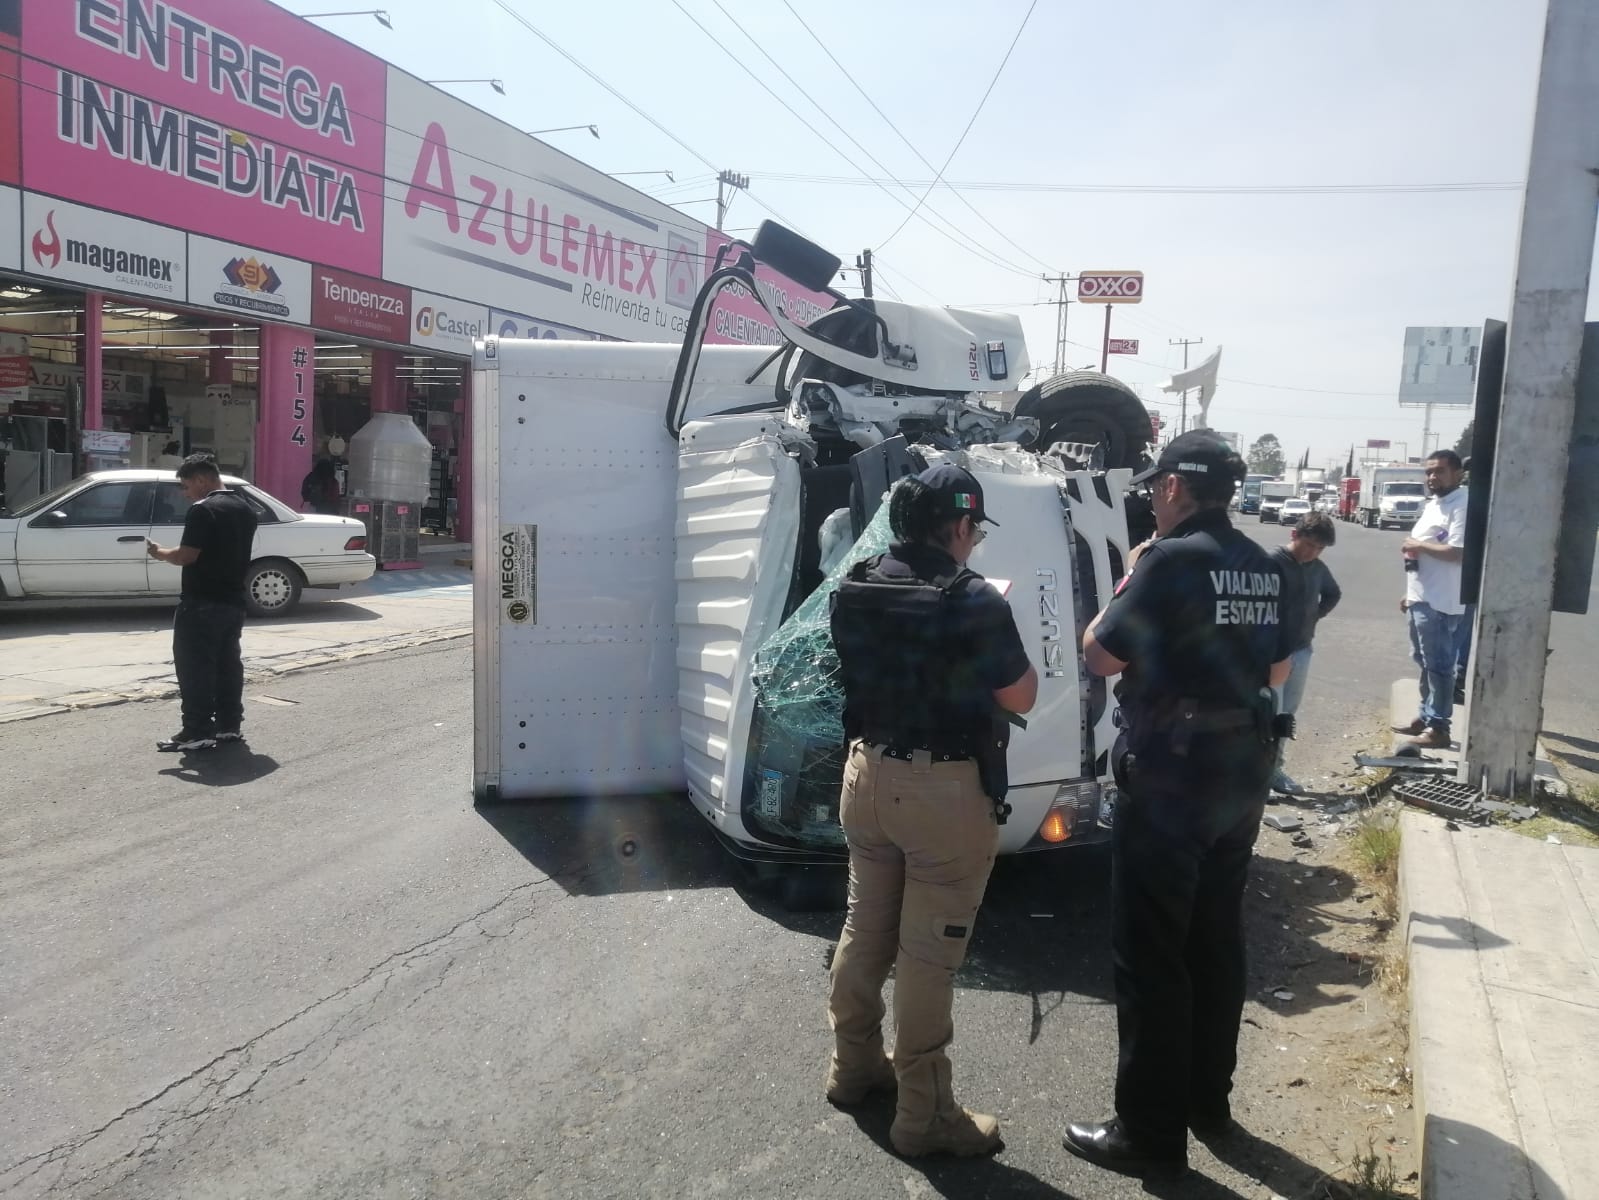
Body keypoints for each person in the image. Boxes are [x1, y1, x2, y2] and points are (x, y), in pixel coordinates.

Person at [1064, 431, 1294, 1177]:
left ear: (1171, 488)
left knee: (1151, 953)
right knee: (1214, 940)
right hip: (1241, 770)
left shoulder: (1163, 560)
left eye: (1154, 488)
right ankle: (1206, 1101)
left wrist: (1130, 579)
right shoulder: (1264, 564)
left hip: (1171, 778)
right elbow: (1279, 663)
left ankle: (1148, 1135)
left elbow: (1098, 653)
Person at [825, 464, 1038, 1159]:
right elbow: (1021, 697)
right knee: (925, 957)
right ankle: (924, 1115)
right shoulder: (971, 598)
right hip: (942, 791)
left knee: (864, 928)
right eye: (973, 528)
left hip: (866, 775)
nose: (974, 541)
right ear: (956, 525)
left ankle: (854, 1067)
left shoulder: (856, 584)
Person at [146, 454, 259, 752]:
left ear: (201, 479)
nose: (185, 494)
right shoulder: (245, 509)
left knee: (195, 668)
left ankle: (196, 730)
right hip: (233, 601)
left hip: (201, 602)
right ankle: (228, 726)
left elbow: (187, 556)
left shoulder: (203, 510)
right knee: (227, 666)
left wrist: (160, 553)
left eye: (185, 486)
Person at [1394, 450, 1468, 750]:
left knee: (1439, 666)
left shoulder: (1462, 504)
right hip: (1421, 598)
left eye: (1439, 471)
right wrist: (1410, 594)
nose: (1432, 477)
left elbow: (1457, 552)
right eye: (1428, 472)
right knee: (1424, 662)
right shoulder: (1435, 505)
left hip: (1441, 601)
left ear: (1457, 474)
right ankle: (1425, 717)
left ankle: (1439, 727)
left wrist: (1417, 544)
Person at [1269, 512, 1342, 794]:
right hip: (1272, 654)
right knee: (1267, 715)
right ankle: (1258, 778)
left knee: (1287, 714)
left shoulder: (1318, 569)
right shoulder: (1271, 563)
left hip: (1301, 650)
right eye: (1309, 545)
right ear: (1294, 535)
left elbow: (1333, 594)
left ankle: (1275, 771)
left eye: (1319, 548)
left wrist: (1313, 617)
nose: (1312, 552)